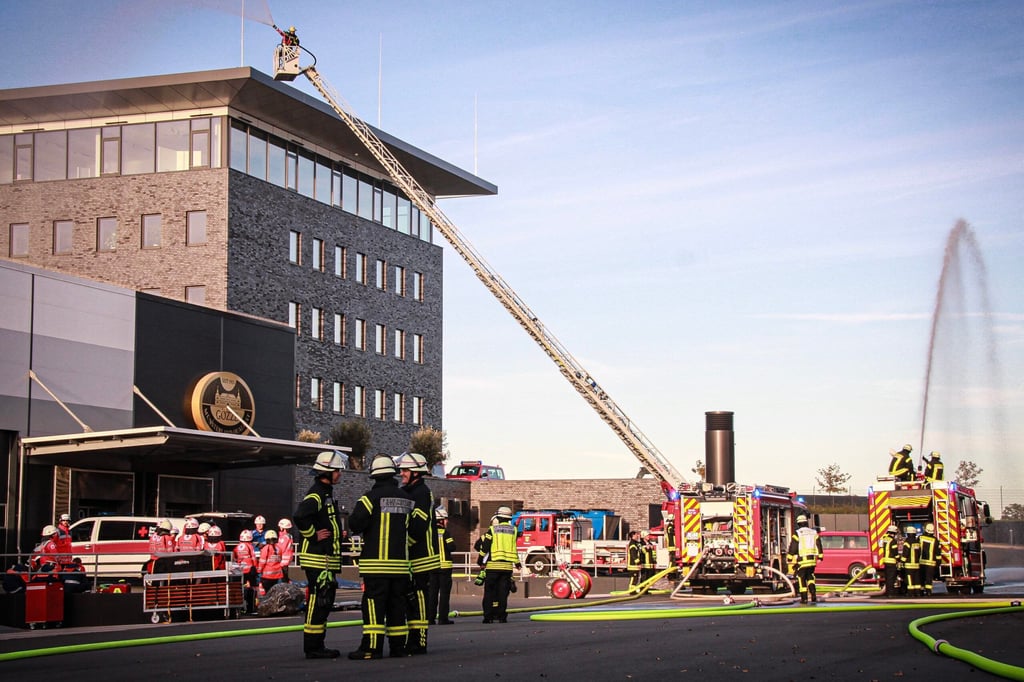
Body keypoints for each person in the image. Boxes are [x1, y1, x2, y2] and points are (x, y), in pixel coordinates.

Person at [347, 454, 414, 660]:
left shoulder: (369, 499)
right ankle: (398, 648)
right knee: (397, 607)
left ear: (375, 476)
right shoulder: (407, 500)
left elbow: (355, 524)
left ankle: (372, 648)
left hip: (376, 565)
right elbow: (413, 529)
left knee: (374, 608)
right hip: (400, 566)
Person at [293, 450, 346, 660]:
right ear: (327, 472)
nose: (340, 474)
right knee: (318, 600)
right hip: (317, 559)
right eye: (337, 471)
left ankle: (318, 644)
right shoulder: (316, 493)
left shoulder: (326, 493)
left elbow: (324, 520)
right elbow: (300, 516)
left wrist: (336, 533)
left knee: (324, 601)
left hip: (325, 559)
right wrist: (313, 535)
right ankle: (313, 647)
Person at [397, 452, 439, 654]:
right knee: (410, 600)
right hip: (411, 555)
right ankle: (412, 640)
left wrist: (402, 546)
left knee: (419, 599)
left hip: (422, 556)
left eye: (405, 470)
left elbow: (418, 526)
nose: (402, 473)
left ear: (416, 472)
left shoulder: (422, 492)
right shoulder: (408, 491)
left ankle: (419, 641)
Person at [475, 505, 520, 623]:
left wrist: (480, 560)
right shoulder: (514, 531)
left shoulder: (493, 530)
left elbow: (485, 546)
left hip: (493, 567)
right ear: (509, 518)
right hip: (507, 568)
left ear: (498, 518)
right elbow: (514, 548)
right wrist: (517, 562)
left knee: (489, 593)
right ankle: (502, 617)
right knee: (503, 594)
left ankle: (488, 617)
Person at [427, 506, 456, 625]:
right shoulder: (445, 533)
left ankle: (430, 618)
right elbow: (452, 547)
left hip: (432, 567)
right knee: (444, 594)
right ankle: (443, 618)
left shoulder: (429, 533)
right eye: (445, 519)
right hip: (445, 568)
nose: (447, 521)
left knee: (432, 594)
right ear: (441, 520)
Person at [786, 514, 822, 604]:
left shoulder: (798, 533)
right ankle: (813, 595)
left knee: (801, 578)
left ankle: (804, 598)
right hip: (812, 560)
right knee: (810, 577)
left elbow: (794, 546)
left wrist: (789, 557)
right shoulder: (813, 532)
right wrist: (820, 557)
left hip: (802, 561)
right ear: (806, 522)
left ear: (798, 524)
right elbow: (819, 544)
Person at [233, 529, 258, 614]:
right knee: (251, 589)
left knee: (240, 589)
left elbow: (234, 559)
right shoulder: (250, 546)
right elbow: (253, 557)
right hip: (250, 571)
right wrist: (255, 568)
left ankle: (241, 608)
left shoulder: (237, 547)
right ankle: (250, 608)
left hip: (239, 571)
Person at [879, 525, 901, 597]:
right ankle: (891, 593)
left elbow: (881, 546)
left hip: (886, 561)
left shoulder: (885, 539)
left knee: (887, 578)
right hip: (892, 562)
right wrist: (899, 559)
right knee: (892, 578)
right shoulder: (893, 541)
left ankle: (888, 592)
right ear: (894, 533)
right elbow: (895, 552)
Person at [918, 523, 938, 596]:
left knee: (922, 577)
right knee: (929, 578)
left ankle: (921, 591)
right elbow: (937, 553)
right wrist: (938, 563)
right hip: (931, 563)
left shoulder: (920, 538)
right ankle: (928, 591)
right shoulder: (935, 540)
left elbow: (917, 549)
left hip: (921, 562)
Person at [901, 526, 922, 597]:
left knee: (910, 579)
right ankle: (918, 592)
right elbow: (919, 553)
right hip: (916, 564)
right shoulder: (917, 542)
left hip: (909, 565)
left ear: (908, 534)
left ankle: (911, 593)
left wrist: (902, 561)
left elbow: (905, 553)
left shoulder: (907, 542)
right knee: (917, 579)